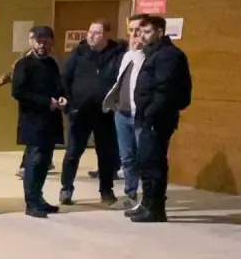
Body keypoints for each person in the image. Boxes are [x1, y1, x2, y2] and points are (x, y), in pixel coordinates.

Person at [130, 15, 192, 223]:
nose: (143, 36)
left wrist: (151, 114)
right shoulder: (153, 53)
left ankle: (156, 209)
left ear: (160, 32)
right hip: (148, 117)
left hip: (157, 119)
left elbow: (164, 89)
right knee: (145, 161)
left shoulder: (168, 55)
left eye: (147, 32)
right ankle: (147, 203)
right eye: (141, 32)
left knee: (154, 163)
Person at [59, 20, 125, 206]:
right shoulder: (79, 53)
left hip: (106, 112)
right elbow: (64, 77)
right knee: (73, 152)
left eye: (97, 33)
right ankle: (66, 188)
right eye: (90, 32)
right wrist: (68, 101)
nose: (91, 36)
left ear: (107, 35)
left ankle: (106, 190)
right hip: (80, 111)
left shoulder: (118, 54)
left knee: (106, 153)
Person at [12, 26, 67, 218]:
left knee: (44, 162)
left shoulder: (51, 63)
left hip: (51, 121)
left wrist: (62, 97)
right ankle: (31, 202)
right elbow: (18, 92)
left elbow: (59, 86)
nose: (43, 45)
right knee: (34, 161)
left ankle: (39, 198)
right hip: (33, 121)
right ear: (32, 41)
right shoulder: (24, 64)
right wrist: (46, 102)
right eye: (39, 41)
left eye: (47, 41)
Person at [102, 14, 149, 211]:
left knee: (144, 158)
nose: (135, 35)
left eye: (139, 30)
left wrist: (139, 51)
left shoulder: (150, 56)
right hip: (121, 113)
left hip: (140, 115)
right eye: (131, 30)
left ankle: (147, 198)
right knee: (127, 158)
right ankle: (131, 194)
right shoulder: (127, 55)